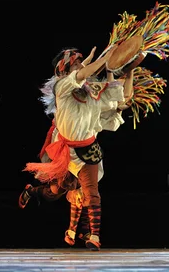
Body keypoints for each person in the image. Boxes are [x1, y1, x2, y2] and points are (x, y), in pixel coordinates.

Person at [22, 45, 126, 251]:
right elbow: (81, 74)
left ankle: (93, 236)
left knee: (91, 193)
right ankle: (33, 192)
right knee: (55, 191)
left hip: (86, 151)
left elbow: (116, 97)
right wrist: (104, 59)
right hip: (65, 152)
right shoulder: (62, 86)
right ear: (65, 70)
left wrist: (115, 68)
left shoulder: (91, 93)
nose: (81, 66)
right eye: (76, 64)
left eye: (81, 63)